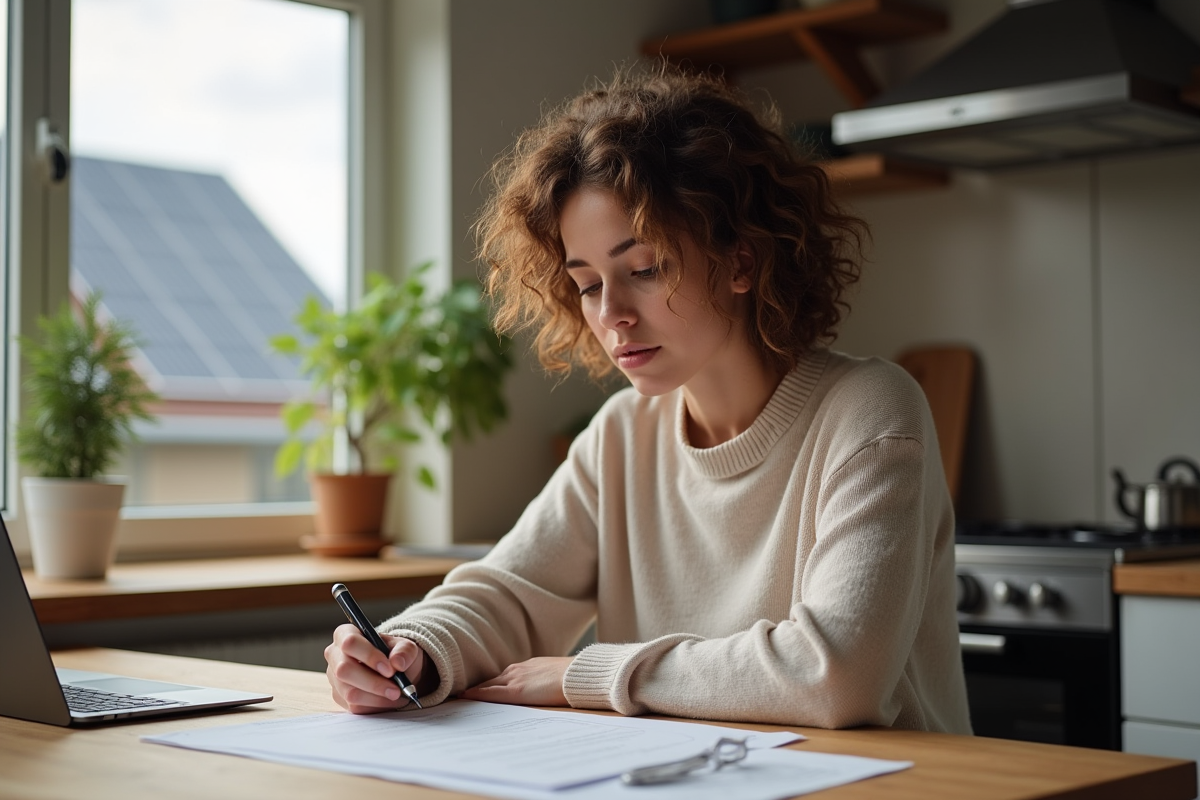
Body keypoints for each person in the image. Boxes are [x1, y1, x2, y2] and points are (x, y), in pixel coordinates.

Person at [324, 64, 972, 734]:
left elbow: (836, 676)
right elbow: (513, 592)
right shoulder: (622, 433)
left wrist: (583, 675)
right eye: (587, 283)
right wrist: (412, 649)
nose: (612, 315)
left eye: (644, 269)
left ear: (743, 262)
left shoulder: (869, 411)